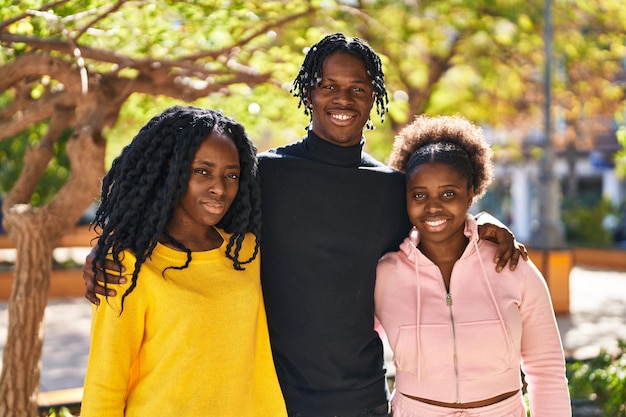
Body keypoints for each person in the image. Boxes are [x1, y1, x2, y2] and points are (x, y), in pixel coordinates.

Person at [83, 34, 526, 417]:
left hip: (362, 397)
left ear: (373, 97)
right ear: (308, 92)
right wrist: (111, 248)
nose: (343, 98)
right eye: (329, 85)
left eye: (357, 87)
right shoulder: (264, 175)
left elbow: (438, 228)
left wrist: (482, 221)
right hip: (275, 396)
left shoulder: (391, 191)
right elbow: (193, 218)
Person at [80, 106, 287, 417]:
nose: (219, 187)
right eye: (202, 171)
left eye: (231, 175)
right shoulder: (127, 266)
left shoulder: (247, 251)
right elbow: (105, 386)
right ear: (170, 172)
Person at [374, 115, 571, 416]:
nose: (433, 206)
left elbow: (547, 370)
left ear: (471, 194)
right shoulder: (385, 273)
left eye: (448, 193)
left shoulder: (512, 265)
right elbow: (350, 353)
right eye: (419, 195)